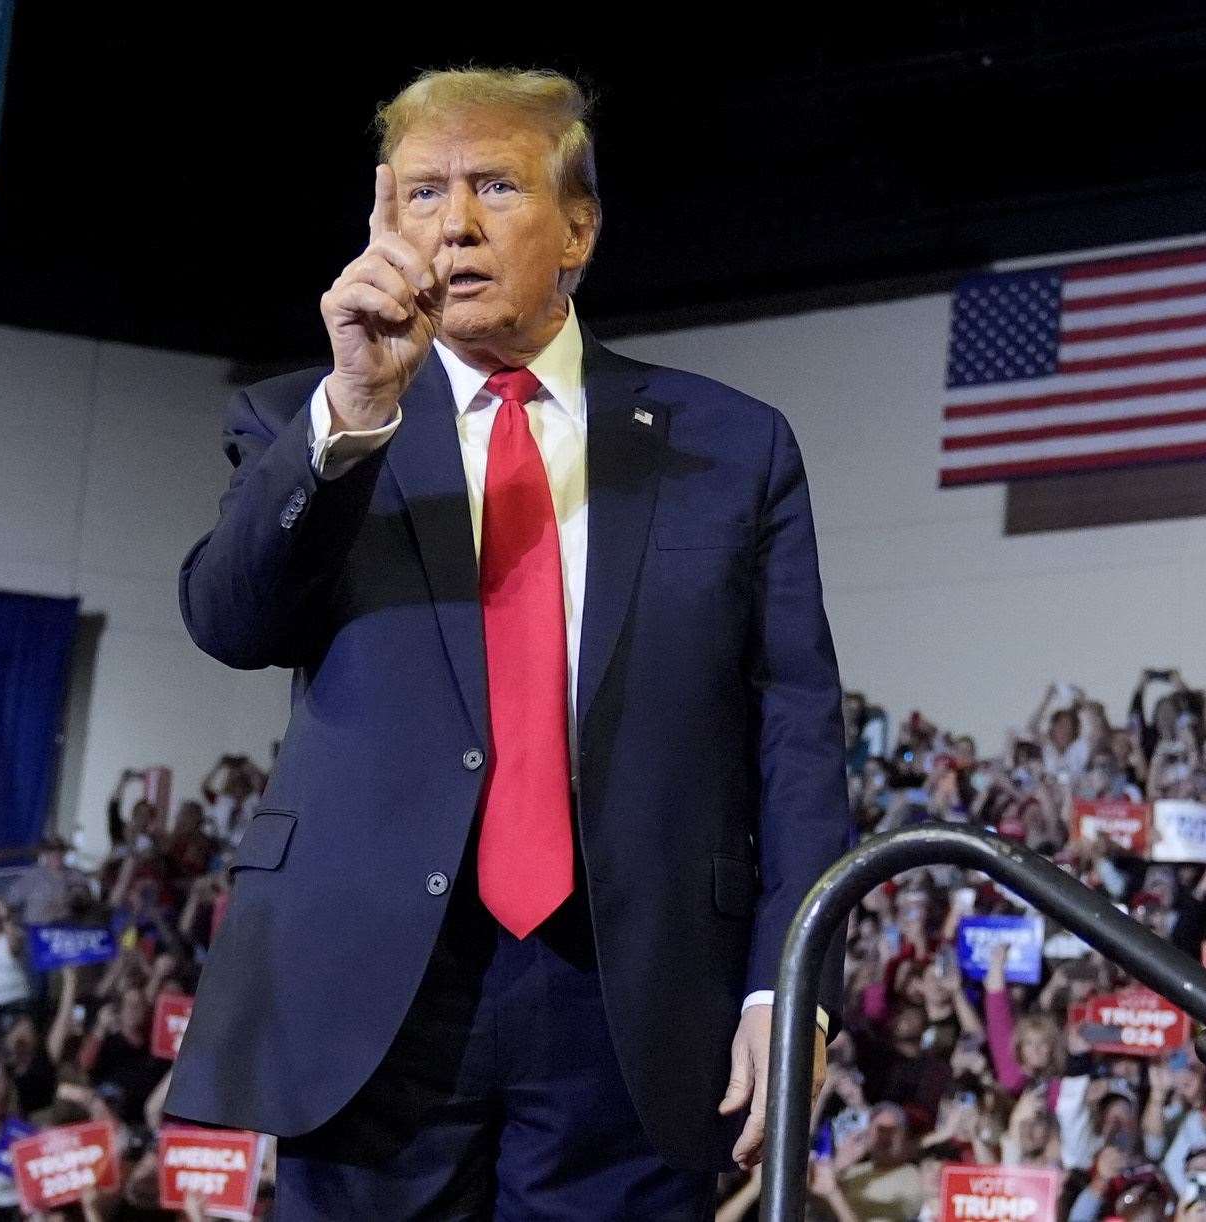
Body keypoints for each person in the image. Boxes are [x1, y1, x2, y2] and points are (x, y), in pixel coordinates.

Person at [166, 65, 850, 1219]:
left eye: (494, 185)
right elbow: (228, 621)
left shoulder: (731, 447)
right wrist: (355, 414)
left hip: (631, 992)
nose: (456, 224)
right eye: (423, 193)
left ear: (578, 226)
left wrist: (789, 988)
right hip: (373, 992)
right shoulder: (307, 418)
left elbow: (795, 736)